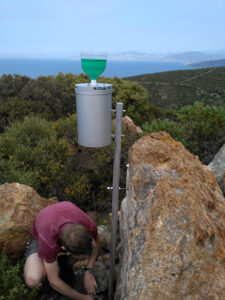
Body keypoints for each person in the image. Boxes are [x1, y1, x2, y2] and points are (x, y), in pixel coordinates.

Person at [24, 201, 100, 300]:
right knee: (33, 280)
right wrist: (83, 298)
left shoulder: (88, 224)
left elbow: (97, 240)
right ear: (63, 249)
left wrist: (88, 270)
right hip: (41, 235)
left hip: (61, 217)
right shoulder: (48, 241)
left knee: (85, 252)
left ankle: (63, 262)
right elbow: (54, 281)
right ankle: (36, 254)